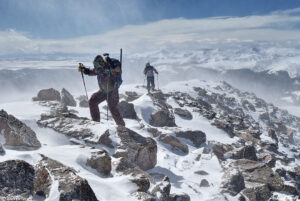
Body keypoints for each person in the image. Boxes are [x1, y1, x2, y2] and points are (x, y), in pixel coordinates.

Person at [78, 54, 125, 126]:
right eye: (94, 64)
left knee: (113, 108)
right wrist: (84, 70)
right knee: (92, 101)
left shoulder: (109, 67)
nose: (95, 66)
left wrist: (112, 64)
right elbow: (92, 71)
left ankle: (122, 127)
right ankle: (96, 123)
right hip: (103, 91)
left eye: (96, 64)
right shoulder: (99, 69)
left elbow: (117, 71)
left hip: (113, 92)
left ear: (101, 62)